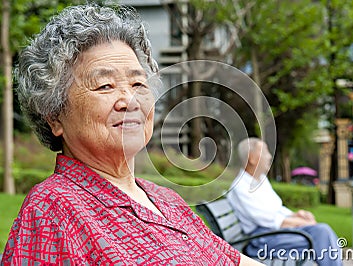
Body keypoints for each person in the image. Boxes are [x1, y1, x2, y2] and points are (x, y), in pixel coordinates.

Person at [1, 4, 262, 265]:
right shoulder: (52, 210)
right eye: (105, 86)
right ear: (55, 115)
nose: (130, 100)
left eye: (138, 83)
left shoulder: (165, 199)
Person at [227, 138, 343, 266]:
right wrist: (301, 222)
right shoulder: (241, 187)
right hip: (261, 241)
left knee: (321, 233)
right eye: (265, 152)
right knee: (321, 234)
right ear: (252, 158)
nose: (269, 156)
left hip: (274, 234)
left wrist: (297, 215)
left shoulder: (260, 180)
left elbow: (276, 208)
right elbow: (267, 219)